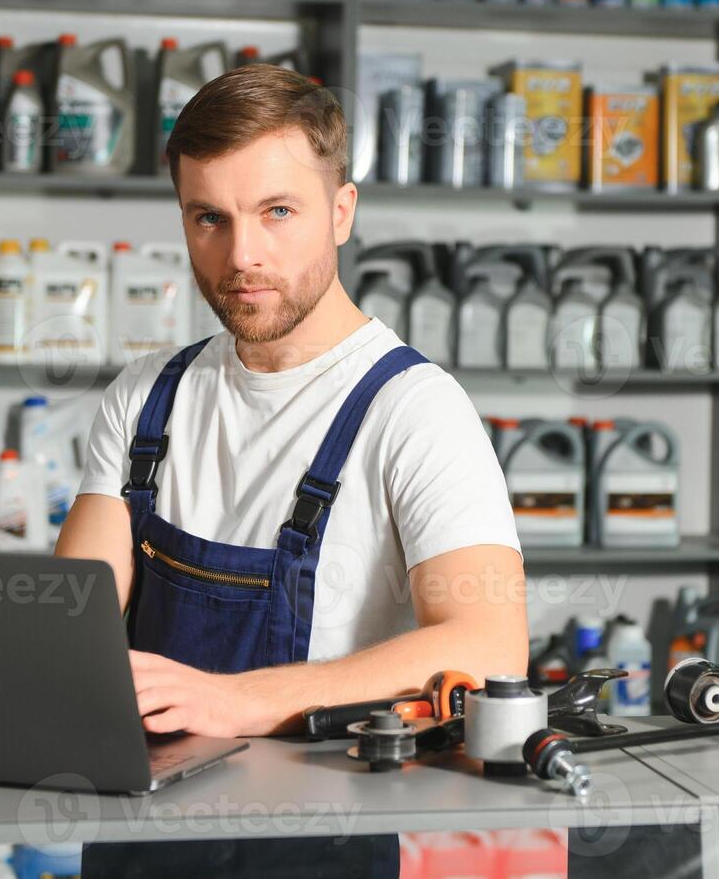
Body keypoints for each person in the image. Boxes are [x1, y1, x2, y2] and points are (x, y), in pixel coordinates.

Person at [55, 64, 527, 876]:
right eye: (210, 218)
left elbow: (490, 645)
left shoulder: (414, 409)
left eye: (277, 212)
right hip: (142, 838)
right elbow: (71, 622)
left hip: (315, 841)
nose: (242, 255)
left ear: (341, 211)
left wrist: (237, 700)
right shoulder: (146, 398)